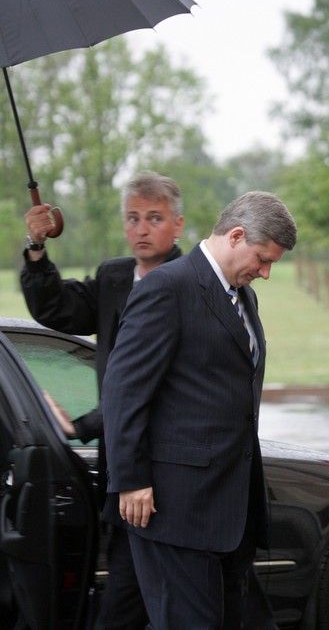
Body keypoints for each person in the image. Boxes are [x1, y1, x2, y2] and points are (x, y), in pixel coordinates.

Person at [101, 190, 297, 629]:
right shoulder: (167, 288)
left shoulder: (243, 296)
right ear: (237, 235)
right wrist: (130, 480)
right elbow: (123, 390)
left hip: (229, 512)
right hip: (174, 510)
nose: (265, 273)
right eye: (263, 260)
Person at [20, 171, 184, 630]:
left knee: (179, 601)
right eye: (132, 218)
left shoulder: (191, 283)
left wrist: (86, 424)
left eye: (154, 218)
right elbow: (58, 308)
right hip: (121, 469)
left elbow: (158, 386)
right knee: (125, 600)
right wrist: (36, 246)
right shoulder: (115, 277)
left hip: (172, 471)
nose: (141, 229)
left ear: (178, 225)